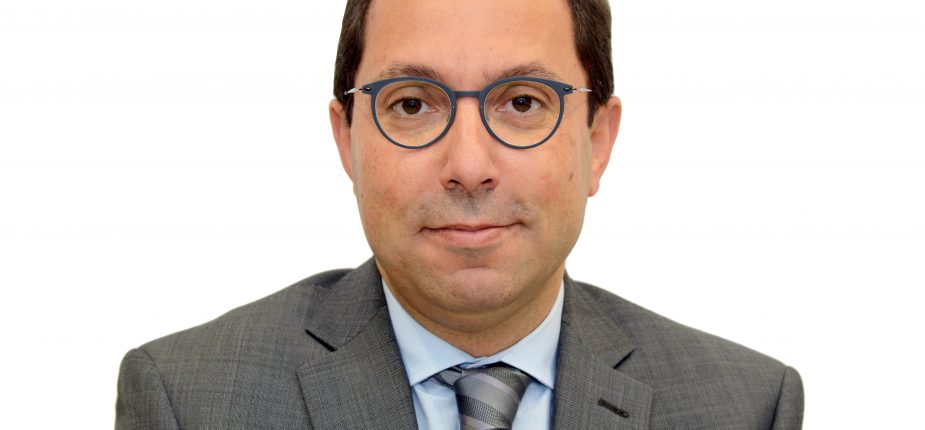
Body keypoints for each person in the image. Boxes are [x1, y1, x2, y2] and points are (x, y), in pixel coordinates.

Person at [115, 0, 804, 428]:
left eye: (523, 102)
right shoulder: (189, 401)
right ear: (347, 140)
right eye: (412, 104)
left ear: (596, 141)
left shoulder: (745, 407)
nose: (469, 165)